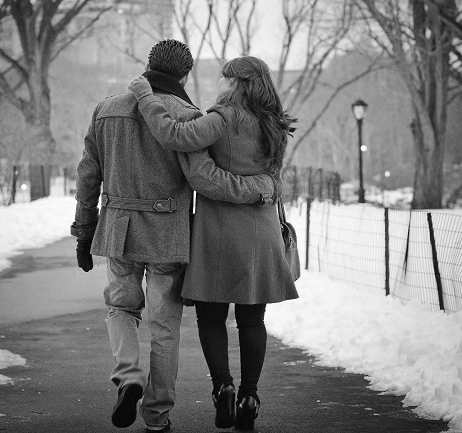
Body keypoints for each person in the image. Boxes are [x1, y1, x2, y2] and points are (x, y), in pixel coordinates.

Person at [71, 40, 277, 433]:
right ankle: (157, 416)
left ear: (149, 64)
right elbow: (203, 178)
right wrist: (262, 186)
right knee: (165, 328)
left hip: (118, 229)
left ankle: (128, 377)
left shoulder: (106, 110)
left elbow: (87, 175)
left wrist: (84, 231)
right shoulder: (188, 115)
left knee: (121, 308)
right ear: (184, 75)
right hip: (167, 234)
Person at [127, 55, 299, 430]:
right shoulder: (274, 121)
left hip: (218, 232)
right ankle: (250, 396)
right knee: (252, 319)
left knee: (211, 317)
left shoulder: (221, 118)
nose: (219, 82)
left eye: (223, 76)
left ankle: (223, 386)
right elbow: (272, 178)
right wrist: (260, 187)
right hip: (262, 232)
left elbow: (174, 135)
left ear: (235, 82)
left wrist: (145, 97)